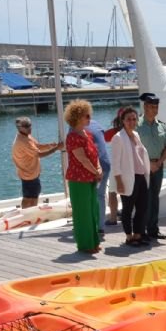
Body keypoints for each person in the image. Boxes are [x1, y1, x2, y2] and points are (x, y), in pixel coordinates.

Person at [64, 99, 102, 254]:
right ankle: (85, 245)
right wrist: (95, 171)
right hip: (78, 180)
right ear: (78, 117)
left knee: (93, 210)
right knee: (83, 213)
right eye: (87, 116)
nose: (89, 118)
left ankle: (93, 242)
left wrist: (98, 168)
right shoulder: (72, 136)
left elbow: (95, 154)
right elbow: (82, 159)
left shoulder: (88, 134)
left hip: (90, 178)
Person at [111, 107, 150, 247]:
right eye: (128, 119)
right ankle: (129, 236)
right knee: (127, 208)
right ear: (123, 121)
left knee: (142, 207)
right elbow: (115, 162)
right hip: (128, 177)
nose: (132, 122)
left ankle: (138, 234)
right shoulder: (118, 138)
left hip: (140, 176)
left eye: (134, 119)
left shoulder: (136, 135)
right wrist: (118, 181)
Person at [137, 92, 166, 240]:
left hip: (158, 166)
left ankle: (153, 229)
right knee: (142, 200)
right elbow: (134, 148)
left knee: (154, 198)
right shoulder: (136, 125)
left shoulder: (162, 126)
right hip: (142, 167)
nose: (154, 109)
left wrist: (158, 162)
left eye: (156, 107)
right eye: (151, 106)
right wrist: (148, 163)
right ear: (145, 107)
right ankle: (141, 230)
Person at [11, 117, 63, 209]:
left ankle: (28, 213)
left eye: (30, 125)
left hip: (29, 173)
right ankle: (28, 214)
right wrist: (56, 149)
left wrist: (50, 145)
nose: (30, 128)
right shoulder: (23, 141)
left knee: (32, 194)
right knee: (30, 197)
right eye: (26, 126)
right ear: (20, 128)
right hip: (28, 174)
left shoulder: (25, 136)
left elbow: (37, 146)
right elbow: (39, 154)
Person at [85, 118, 111, 234]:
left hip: (93, 166)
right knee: (100, 196)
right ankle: (101, 226)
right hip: (105, 164)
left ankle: (90, 225)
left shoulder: (76, 127)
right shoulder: (98, 124)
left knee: (88, 197)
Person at [103, 108, 125, 226]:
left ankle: (113, 218)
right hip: (129, 167)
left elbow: (100, 138)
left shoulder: (113, 132)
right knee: (127, 192)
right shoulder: (135, 132)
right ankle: (125, 214)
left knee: (112, 192)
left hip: (116, 167)